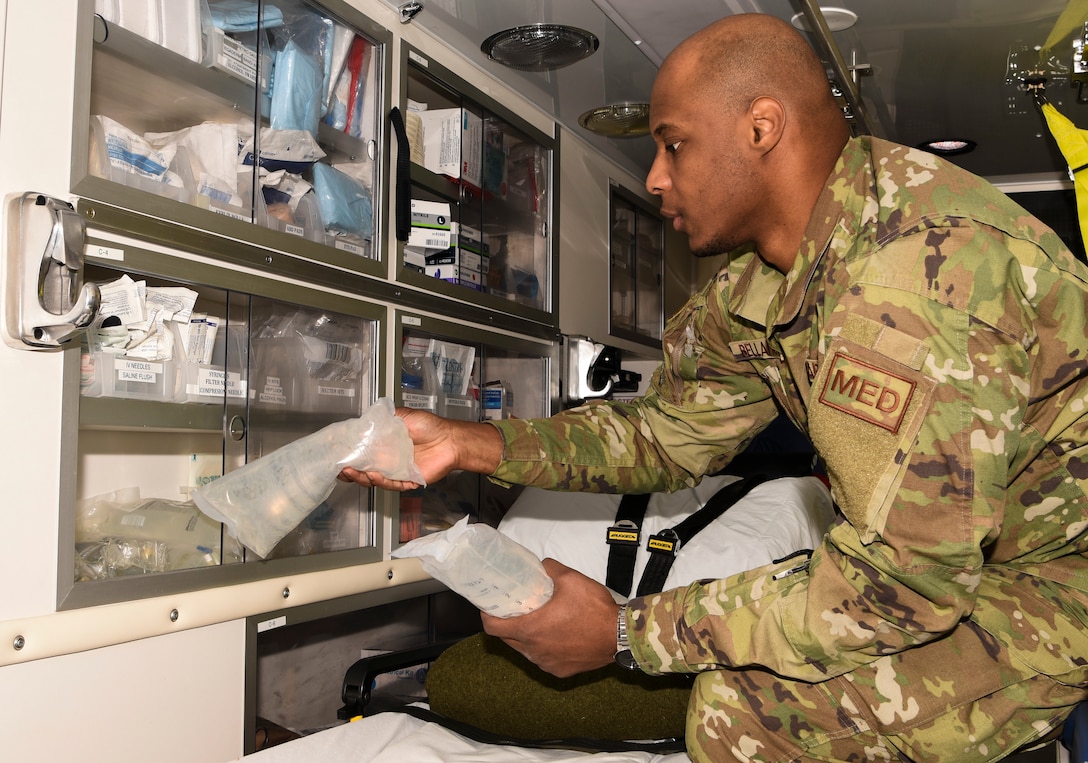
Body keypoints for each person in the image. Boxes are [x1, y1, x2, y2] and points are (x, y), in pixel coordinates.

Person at [341, 12, 1088, 762]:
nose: (657, 177)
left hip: (1047, 589)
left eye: (673, 144)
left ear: (761, 127)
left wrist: (627, 631)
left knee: (741, 714)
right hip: (948, 568)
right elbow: (664, 433)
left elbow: (903, 587)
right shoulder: (764, 279)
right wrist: (478, 443)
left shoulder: (920, 274)